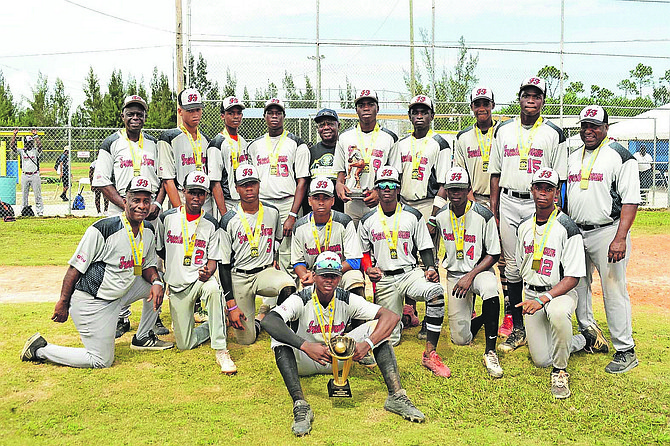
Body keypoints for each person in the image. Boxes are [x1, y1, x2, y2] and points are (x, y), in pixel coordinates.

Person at [261, 251, 425, 437]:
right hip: (305, 359)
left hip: (337, 358)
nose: (329, 281)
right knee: (278, 337)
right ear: (314, 275)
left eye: (334, 276)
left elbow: (391, 316)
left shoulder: (346, 297)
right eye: (324, 276)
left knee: (377, 329)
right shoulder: (301, 298)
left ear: (340, 278)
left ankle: (396, 396)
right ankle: (300, 405)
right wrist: (305, 345)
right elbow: (269, 321)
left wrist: (368, 344)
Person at [20, 176, 174, 369]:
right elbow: (74, 269)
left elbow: (147, 266)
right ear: (125, 202)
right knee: (101, 360)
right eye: (136, 200)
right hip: (93, 302)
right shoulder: (103, 229)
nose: (142, 206)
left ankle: (143, 337)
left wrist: (157, 283)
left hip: (120, 292)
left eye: (146, 201)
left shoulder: (148, 230)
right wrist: (62, 302)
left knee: (158, 282)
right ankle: (39, 349)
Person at [489, 77, 567, 354]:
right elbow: (495, 173)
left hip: (540, 204)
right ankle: (517, 325)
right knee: (511, 266)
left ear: (543, 100)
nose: (531, 99)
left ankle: (547, 315)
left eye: (537, 95)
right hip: (510, 201)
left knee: (541, 264)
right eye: (526, 94)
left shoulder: (554, 133)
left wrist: (560, 211)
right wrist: (495, 209)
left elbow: (560, 179)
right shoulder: (504, 130)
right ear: (519, 98)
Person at [566, 105, 641, 374]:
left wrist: (620, 238)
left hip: (608, 231)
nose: (589, 130)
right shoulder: (573, 156)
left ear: (606, 128)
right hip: (577, 231)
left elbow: (631, 200)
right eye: (585, 125)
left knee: (613, 289)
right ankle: (590, 334)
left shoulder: (620, 156)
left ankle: (625, 349)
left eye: (595, 126)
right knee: (579, 285)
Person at [358, 166, 450, 377]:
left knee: (435, 292)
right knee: (391, 340)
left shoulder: (413, 215)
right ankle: (405, 319)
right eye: (382, 185)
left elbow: (425, 246)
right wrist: (368, 268)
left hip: (409, 273)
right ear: (377, 190)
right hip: (384, 278)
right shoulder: (367, 220)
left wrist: (430, 268)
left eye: (391, 185)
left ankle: (430, 353)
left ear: (398, 189)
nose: (387, 189)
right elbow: (363, 251)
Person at [92, 94, 166, 339]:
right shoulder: (111, 142)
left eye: (140, 113)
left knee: (153, 263)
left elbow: (166, 177)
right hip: (121, 210)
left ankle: (153, 316)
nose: (135, 117)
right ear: (122, 116)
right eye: (130, 113)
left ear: (145, 116)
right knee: (120, 262)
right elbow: (102, 180)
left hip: (150, 211)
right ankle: (119, 317)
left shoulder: (154, 143)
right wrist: (125, 204)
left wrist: (156, 202)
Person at [155, 171, 236, 373]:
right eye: (192, 192)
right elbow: (161, 251)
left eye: (201, 193)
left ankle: (221, 349)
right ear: (184, 192)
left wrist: (207, 272)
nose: (196, 198)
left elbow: (213, 260)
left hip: (199, 281)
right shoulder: (166, 218)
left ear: (206, 196)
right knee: (185, 343)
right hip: (177, 285)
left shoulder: (211, 223)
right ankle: (215, 325)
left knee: (213, 290)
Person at [454, 87, 513, 337]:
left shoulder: (505, 132)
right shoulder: (463, 137)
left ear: (493, 105)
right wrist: (473, 206)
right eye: (477, 104)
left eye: (486, 103)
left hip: (501, 202)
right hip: (473, 200)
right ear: (472, 107)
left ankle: (509, 313)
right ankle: (475, 310)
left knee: (503, 259)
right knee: (473, 255)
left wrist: (495, 209)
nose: (482, 108)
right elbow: (461, 174)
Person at [434, 167, 503, 378]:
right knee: (461, 340)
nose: (456, 194)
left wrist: (470, 276)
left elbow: (494, 254)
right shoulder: (441, 216)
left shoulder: (484, 215)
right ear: (446, 190)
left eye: (460, 190)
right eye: (452, 190)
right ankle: (483, 318)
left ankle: (490, 350)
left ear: (469, 190)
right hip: (455, 276)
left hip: (479, 272)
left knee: (491, 288)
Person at [218, 164, 297, 345]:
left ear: (259, 185)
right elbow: (223, 264)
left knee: (288, 286)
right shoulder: (228, 219)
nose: (249, 189)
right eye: (244, 185)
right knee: (247, 340)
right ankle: (254, 319)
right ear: (236, 188)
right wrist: (231, 302)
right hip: (239, 276)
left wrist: (273, 260)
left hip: (264, 272)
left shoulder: (272, 212)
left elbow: (276, 239)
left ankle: (277, 324)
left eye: (252, 183)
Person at [394, 94, 451, 337]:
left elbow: (445, 182)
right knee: (406, 258)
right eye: (415, 111)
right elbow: (394, 177)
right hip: (405, 204)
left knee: (428, 261)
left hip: (428, 205)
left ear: (431, 116)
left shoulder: (440, 143)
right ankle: (409, 311)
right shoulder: (401, 144)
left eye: (424, 111)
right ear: (409, 116)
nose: (419, 115)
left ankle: (431, 317)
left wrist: (434, 216)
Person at [246, 98, 310, 284]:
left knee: (288, 252)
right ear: (264, 116)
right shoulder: (254, 145)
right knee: (264, 249)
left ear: (284, 116)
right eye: (270, 113)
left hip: (287, 202)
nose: (274, 116)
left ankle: (289, 295)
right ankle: (270, 300)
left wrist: (292, 213)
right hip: (263, 203)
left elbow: (302, 181)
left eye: (278, 113)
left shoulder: (297, 143)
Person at [334, 89, 399, 226]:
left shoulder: (389, 137)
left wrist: (378, 192)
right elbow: (340, 170)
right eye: (361, 105)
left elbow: (395, 173)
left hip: (377, 200)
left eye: (370, 104)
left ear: (378, 108)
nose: (366, 108)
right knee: (352, 244)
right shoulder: (345, 137)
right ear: (356, 110)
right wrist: (339, 185)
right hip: (351, 201)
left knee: (380, 241)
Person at [291, 177, 365, 296]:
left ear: (333, 201)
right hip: (313, 276)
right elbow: (297, 263)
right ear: (309, 201)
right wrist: (307, 276)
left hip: (340, 274)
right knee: (302, 286)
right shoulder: (299, 226)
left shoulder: (344, 221)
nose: (321, 202)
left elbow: (354, 261)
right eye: (316, 198)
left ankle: (357, 314)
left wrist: (327, 272)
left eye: (326, 198)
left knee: (355, 278)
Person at [158, 88, 213, 213]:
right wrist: (179, 210)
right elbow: (168, 180)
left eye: (198, 110)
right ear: (180, 111)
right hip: (183, 198)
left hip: (205, 199)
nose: (195, 114)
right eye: (190, 110)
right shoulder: (169, 138)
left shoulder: (206, 139)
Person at [208, 96, 249, 218]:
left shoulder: (243, 141)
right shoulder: (217, 143)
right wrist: (224, 214)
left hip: (242, 201)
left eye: (238, 113)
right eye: (231, 113)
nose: (236, 117)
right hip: (226, 202)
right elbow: (215, 182)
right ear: (222, 116)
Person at [309, 108, 344, 212]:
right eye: (321, 125)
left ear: (339, 125)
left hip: (341, 208)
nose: (326, 128)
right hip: (317, 210)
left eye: (330, 124)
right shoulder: (310, 152)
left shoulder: (346, 150)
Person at [11, 128, 43, 216]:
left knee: (37, 195)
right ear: (25, 143)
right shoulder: (22, 151)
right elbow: (12, 146)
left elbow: (40, 146)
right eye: (28, 143)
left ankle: (40, 211)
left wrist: (35, 135)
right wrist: (14, 135)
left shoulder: (35, 151)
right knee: (24, 195)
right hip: (25, 175)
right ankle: (24, 211)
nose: (30, 144)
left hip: (34, 175)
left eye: (31, 142)